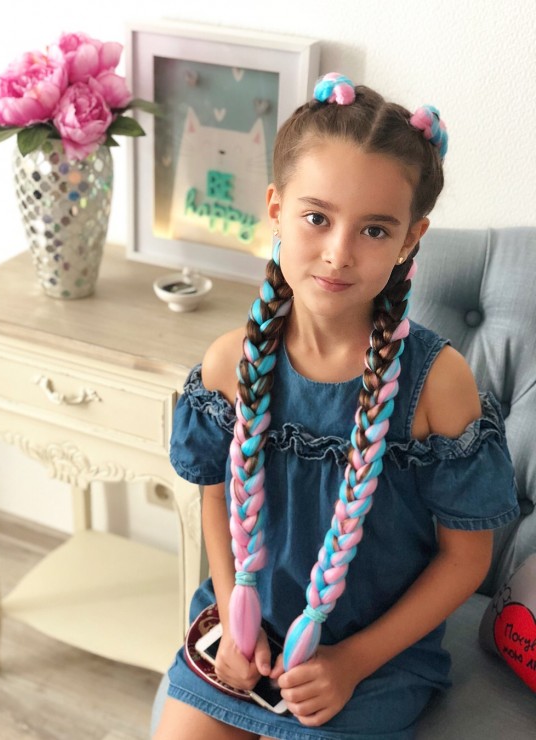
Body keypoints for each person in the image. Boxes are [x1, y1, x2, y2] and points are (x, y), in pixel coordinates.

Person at [153, 73, 518, 739]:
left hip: (373, 652)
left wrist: (352, 662)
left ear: (411, 238)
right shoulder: (231, 363)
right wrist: (234, 619)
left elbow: (466, 559)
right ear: (275, 208)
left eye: (375, 229)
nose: (338, 253)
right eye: (317, 217)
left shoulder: (437, 384)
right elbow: (217, 497)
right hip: (245, 627)